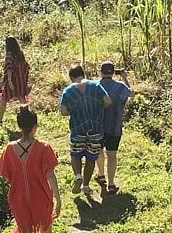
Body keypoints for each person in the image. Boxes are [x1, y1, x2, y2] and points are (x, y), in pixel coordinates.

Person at [0, 107, 61, 233]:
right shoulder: (44, 147)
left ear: (18, 126)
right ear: (35, 126)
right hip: (41, 198)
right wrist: (58, 198)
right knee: (46, 231)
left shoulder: (9, 149)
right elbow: (51, 174)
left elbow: (6, 173)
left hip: (19, 201)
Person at [57, 64, 110, 197]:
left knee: (75, 154)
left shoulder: (68, 91)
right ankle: (86, 185)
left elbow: (63, 111)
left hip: (77, 129)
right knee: (91, 158)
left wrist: (72, 111)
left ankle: (77, 175)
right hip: (96, 129)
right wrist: (100, 107)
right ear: (83, 74)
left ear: (71, 77)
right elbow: (108, 101)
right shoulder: (96, 86)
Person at [96, 61, 132, 194]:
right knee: (112, 155)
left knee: (98, 151)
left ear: (101, 72)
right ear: (113, 72)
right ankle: (111, 184)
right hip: (114, 126)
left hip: (97, 126)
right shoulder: (120, 87)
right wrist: (124, 78)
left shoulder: (95, 86)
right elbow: (131, 93)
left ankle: (100, 175)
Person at [0, 36, 30, 125]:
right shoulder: (20, 54)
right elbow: (25, 66)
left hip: (12, 80)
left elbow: (9, 69)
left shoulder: (9, 55)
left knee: (4, 99)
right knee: (21, 98)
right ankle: (28, 117)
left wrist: (9, 81)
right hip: (21, 80)